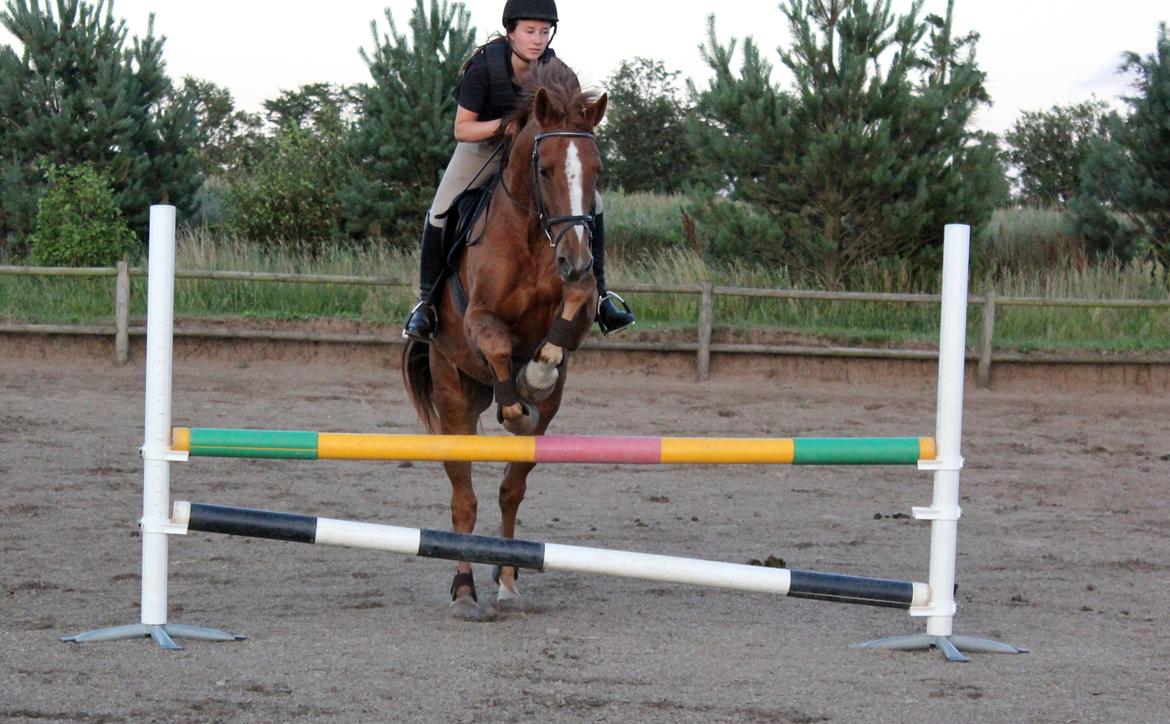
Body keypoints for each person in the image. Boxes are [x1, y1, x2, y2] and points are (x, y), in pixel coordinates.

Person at [402, 0, 635, 342]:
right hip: (484, 146)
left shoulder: (560, 73)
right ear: (511, 32)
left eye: (544, 31)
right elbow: (462, 129)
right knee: (439, 211)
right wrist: (504, 126)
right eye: (529, 31)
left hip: (538, 157)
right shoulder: (483, 68)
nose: (537, 39)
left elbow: (569, 127)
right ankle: (427, 305)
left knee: (594, 205)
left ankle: (601, 297)